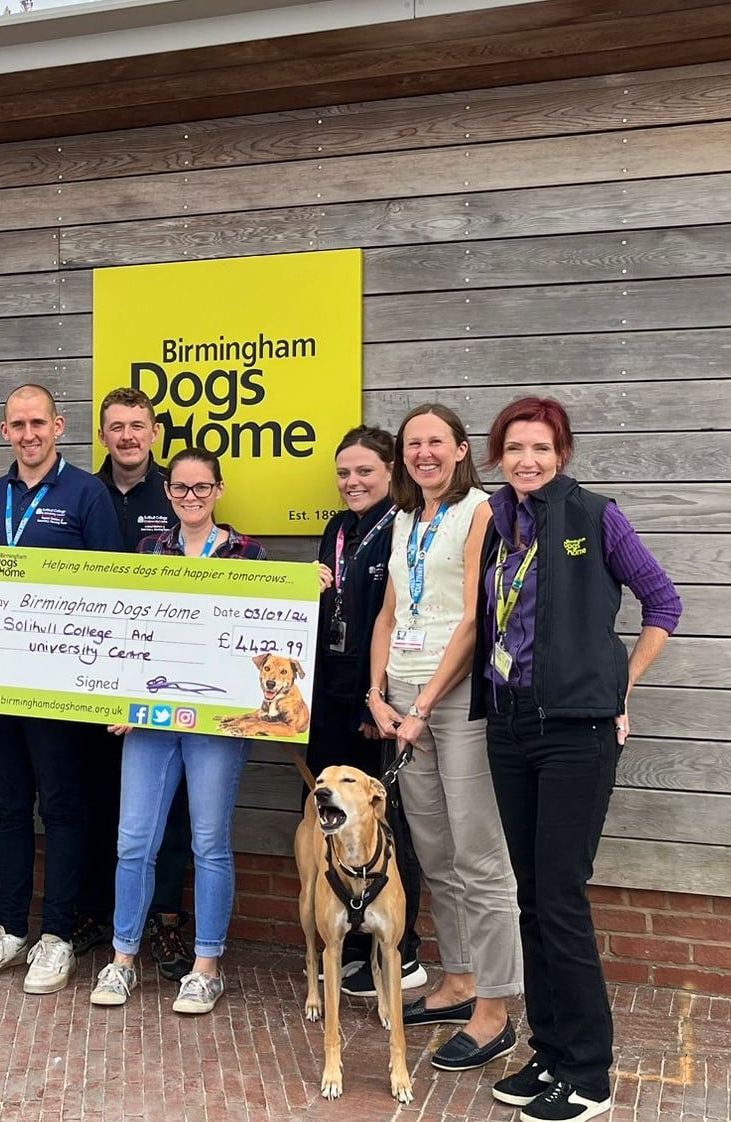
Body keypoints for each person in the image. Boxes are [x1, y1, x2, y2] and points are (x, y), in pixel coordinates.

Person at [471, 398, 680, 1122]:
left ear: (562, 452)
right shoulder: (500, 523)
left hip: (576, 732)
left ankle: (589, 1075)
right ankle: (550, 1052)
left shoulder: (596, 516)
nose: (528, 460)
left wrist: (623, 681)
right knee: (530, 894)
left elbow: (663, 602)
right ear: (498, 455)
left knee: (559, 897)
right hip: (509, 727)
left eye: (542, 447)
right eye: (515, 448)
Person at [365, 403, 521, 1072]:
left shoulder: (480, 512)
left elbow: (476, 620)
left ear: (461, 450)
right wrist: (379, 695)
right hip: (402, 704)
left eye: (437, 442)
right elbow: (390, 611)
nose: (424, 453)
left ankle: (496, 1007)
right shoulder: (403, 519)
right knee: (435, 850)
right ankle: (458, 979)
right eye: (413, 444)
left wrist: (424, 703)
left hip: (455, 704)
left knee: (481, 855)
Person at [88, 448, 265, 1015]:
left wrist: (302, 587)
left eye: (202, 487)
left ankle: (206, 965)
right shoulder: (147, 551)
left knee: (208, 841)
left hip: (216, 720)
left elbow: (271, 623)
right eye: (182, 488)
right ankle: (121, 961)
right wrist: (122, 698)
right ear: (168, 493)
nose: (192, 497)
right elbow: (128, 629)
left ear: (220, 489)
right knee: (133, 840)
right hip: (151, 718)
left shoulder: (248, 552)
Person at [0, 383, 122, 995]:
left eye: (38, 423)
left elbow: (111, 586)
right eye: (16, 425)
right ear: (5, 432)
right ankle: (9, 928)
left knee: (61, 807)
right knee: (7, 808)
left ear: (59, 426)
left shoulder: (88, 493)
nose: (28, 434)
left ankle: (56, 935)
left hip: (59, 683)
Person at [309, 426, 428, 998]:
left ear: (389, 473)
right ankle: (351, 941)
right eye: (343, 473)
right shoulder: (336, 529)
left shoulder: (401, 526)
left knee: (384, 822)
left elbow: (392, 619)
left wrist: (371, 696)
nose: (351, 482)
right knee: (332, 822)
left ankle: (399, 949)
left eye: (363, 472)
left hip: (370, 701)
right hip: (326, 698)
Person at [94, 385, 194, 979]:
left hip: (166, 676)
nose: (128, 435)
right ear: (102, 434)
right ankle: (102, 920)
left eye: (138, 425)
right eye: (117, 426)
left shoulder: (178, 491)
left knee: (171, 811)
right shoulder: (81, 491)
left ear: (154, 432)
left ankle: (166, 919)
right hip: (98, 672)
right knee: (102, 801)